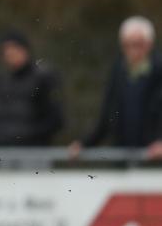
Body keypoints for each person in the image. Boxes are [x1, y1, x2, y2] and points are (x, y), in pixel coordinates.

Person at [69, 16, 162, 160]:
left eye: (138, 44)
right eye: (128, 44)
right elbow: (107, 115)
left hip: (154, 161)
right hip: (123, 158)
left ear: (149, 44)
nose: (133, 50)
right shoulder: (118, 72)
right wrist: (85, 144)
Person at [0, 31, 64, 146]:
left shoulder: (44, 78)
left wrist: (26, 136)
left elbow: (55, 119)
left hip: (34, 151)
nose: (10, 53)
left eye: (14, 48)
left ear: (25, 50)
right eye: (6, 50)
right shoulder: (2, 81)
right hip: (5, 151)